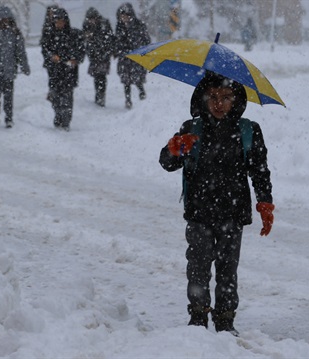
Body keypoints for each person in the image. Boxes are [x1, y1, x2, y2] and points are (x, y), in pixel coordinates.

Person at [159, 72, 275, 336]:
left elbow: (259, 170)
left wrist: (265, 202)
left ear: (237, 100)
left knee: (227, 271)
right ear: (202, 99)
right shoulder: (192, 128)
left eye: (226, 97)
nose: (219, 103)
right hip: (199, 212)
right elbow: (167, 163)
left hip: (233, 214)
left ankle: (225, 321)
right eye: (212, 97)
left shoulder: (248, 131)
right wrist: (175, 148)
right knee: (198, 267)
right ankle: (198, 318)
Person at [0, 6, 30, 128]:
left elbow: (20, 51)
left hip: (9, 70)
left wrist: (24, 66)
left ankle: (9, 117)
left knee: (9, 96)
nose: (4, 21)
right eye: (2, 18)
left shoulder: (15, 33)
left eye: (7, 19)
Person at [40, 7, 85, 132]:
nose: (59, 24)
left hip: (69, 71)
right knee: (55, 96)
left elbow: (81, 51)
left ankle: (66, 120)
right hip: (54, 71)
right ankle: (58, 115)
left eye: (61, 21)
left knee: (67, 97)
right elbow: (45, 49)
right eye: (57, 21)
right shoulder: (49, 35)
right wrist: (51, 56)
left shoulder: (74, 34)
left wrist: (75, 59)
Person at [114, 2, 151, 109]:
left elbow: (145, 40)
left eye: (126, 15)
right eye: (122, 15)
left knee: (137, 79)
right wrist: (120, 50)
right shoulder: (119, 27)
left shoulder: (139, 25)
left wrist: (137, 49)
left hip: (136, 57)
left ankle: (142, 93)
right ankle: (128, 99)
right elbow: (118, 41)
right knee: (126, 81)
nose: (124, 17)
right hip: (124, 58)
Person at [82, 7, 114, 107]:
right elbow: (84, 38)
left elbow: (109, 38)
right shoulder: (86, 25)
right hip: (93, 54)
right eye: (89, 19)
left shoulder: (104, 23)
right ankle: (98, 94)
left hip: (104, 54)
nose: (91, 21)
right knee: (96, 76)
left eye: (93, 18)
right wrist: (87, 37)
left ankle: (101, 95)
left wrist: (108, 50)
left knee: (102, 76)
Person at [40, 5, 59, 102]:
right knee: (52, 76)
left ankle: (58, 92)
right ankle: (53, 92)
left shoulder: (61, 25)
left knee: (60, 76)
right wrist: (49, 55)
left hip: (61, 55)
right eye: (50, 13)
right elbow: (44, 44)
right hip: (50, 57)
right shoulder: (47, 27)